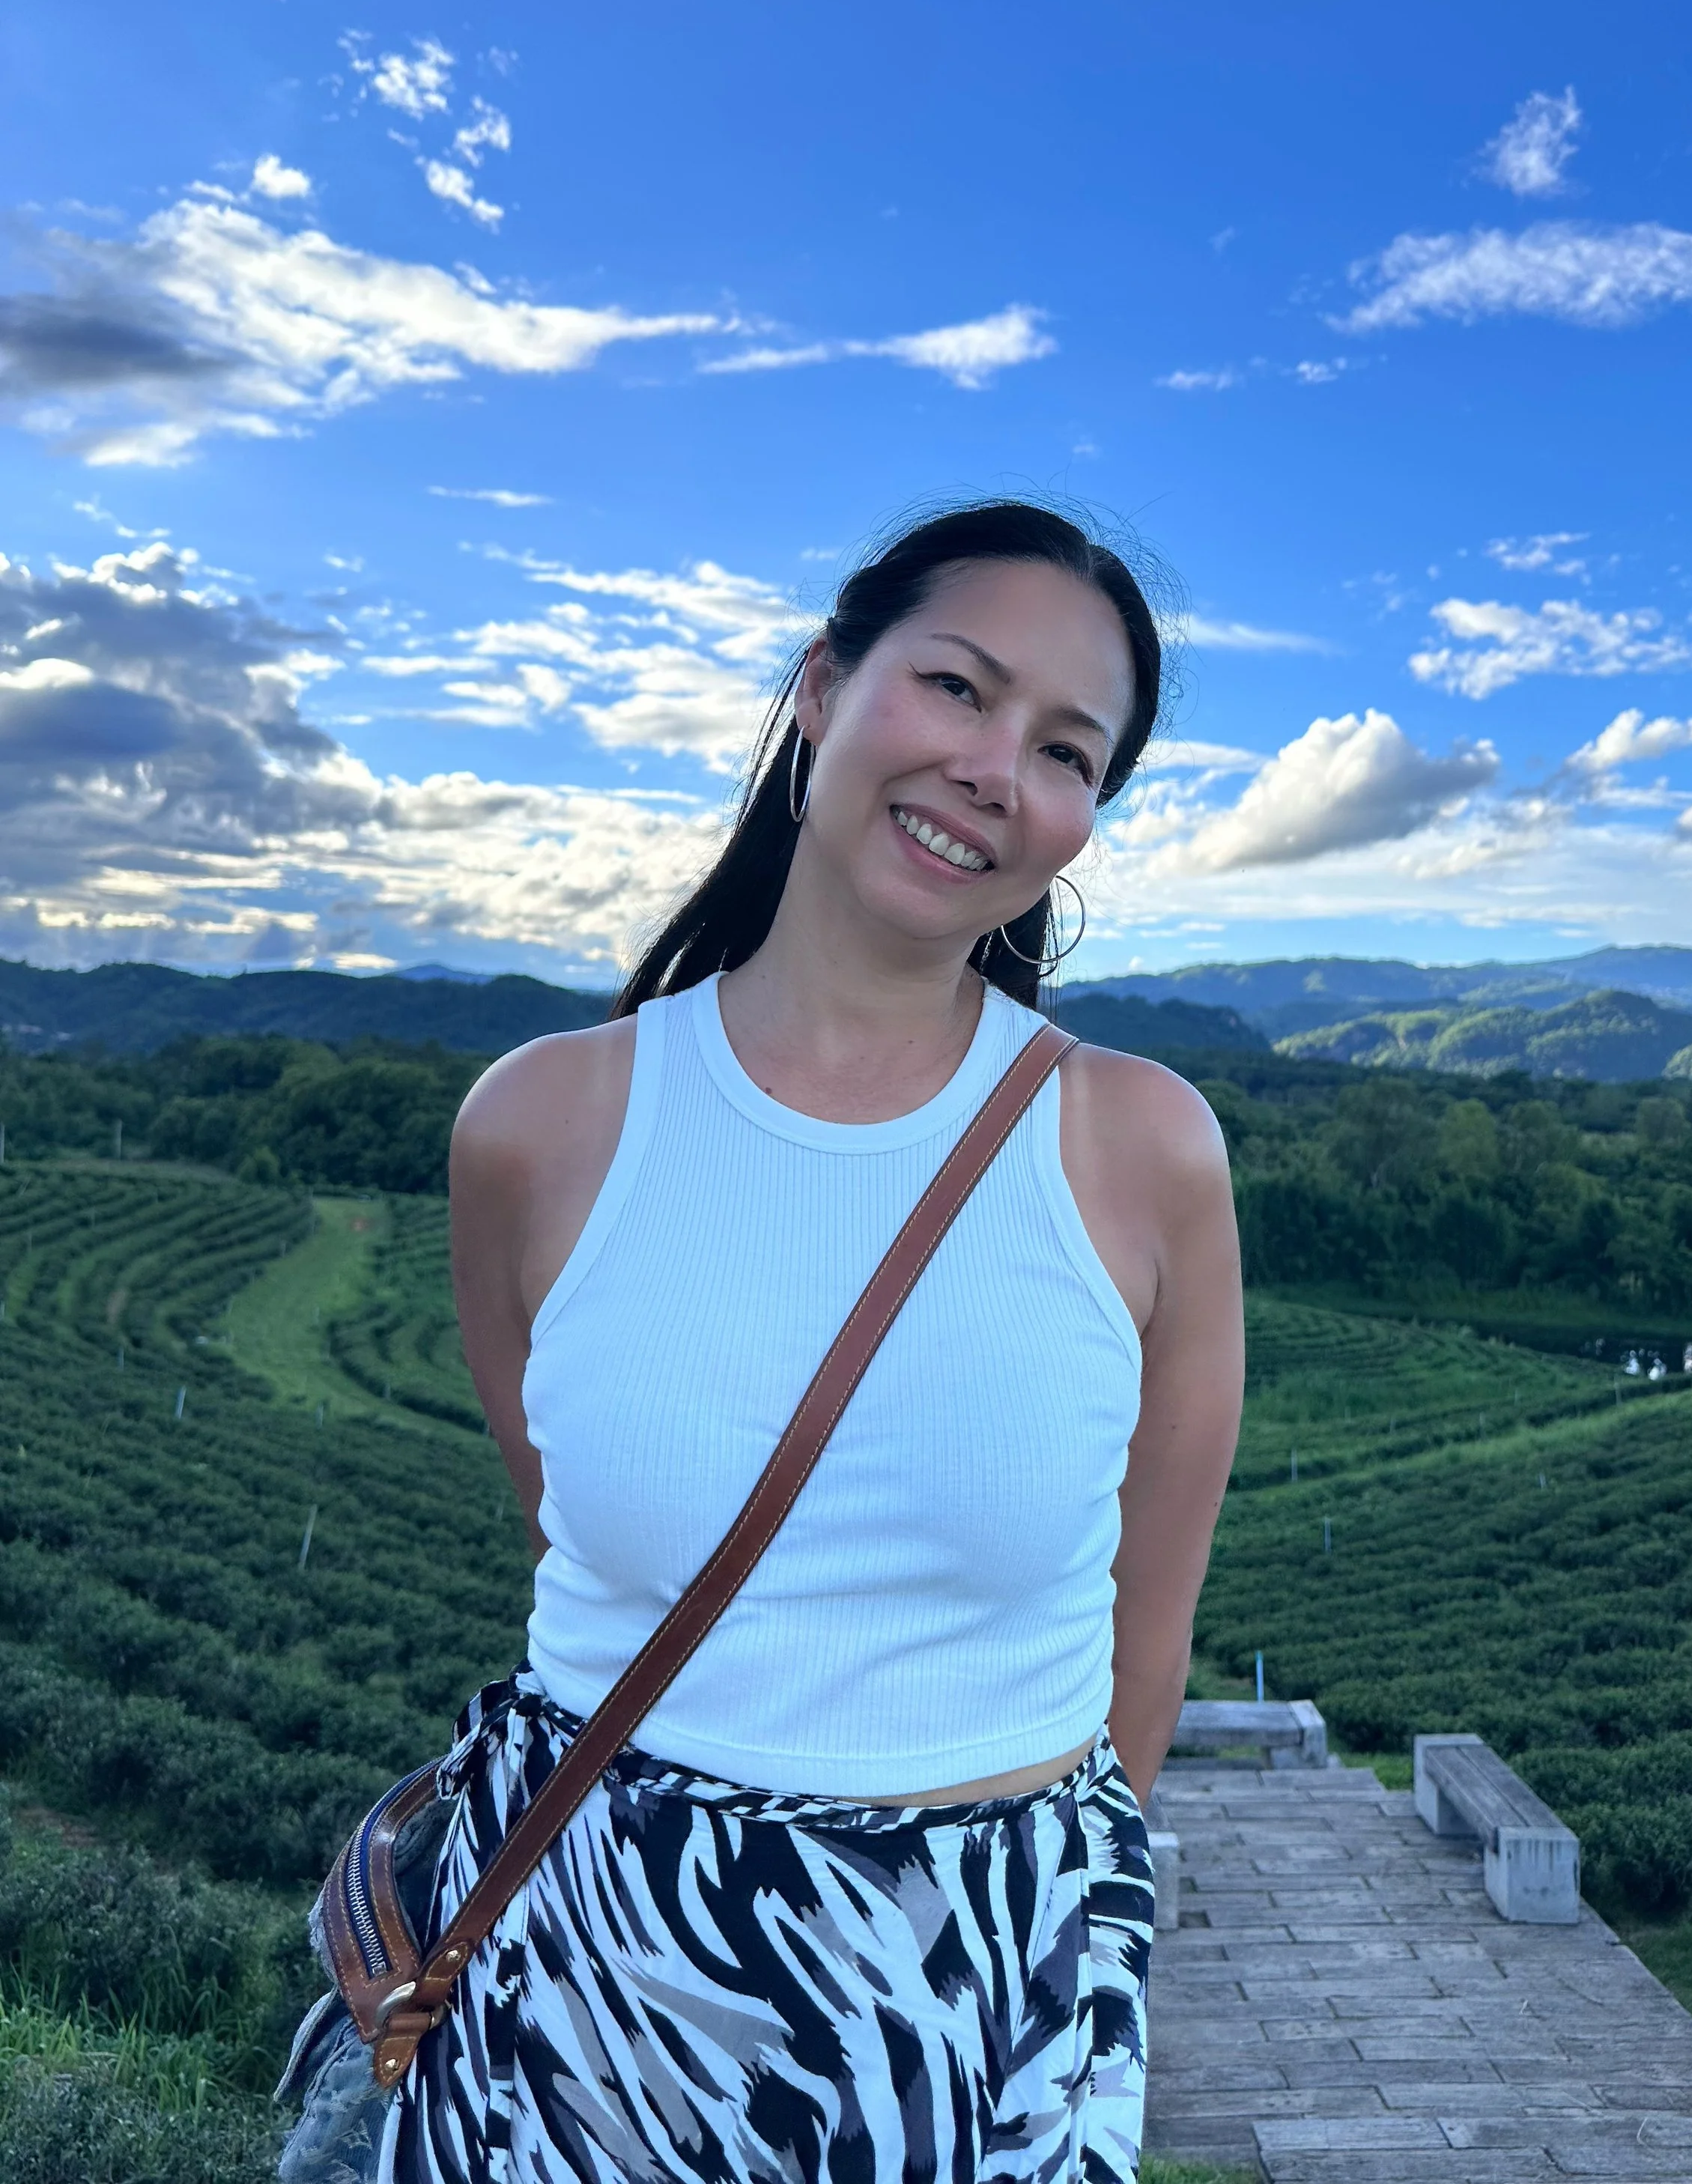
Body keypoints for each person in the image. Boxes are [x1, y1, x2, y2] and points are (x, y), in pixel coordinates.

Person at [393, 502, 1245, 2184]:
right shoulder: (540, 1126)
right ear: (820, 686)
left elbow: (1145, 1644)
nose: (999, 767)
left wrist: (1025, 1924)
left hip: (982, 2001)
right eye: (956, 687)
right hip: (585, 1975)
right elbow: (580, 1535)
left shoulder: (1141, 1150)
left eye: (1067, 749)